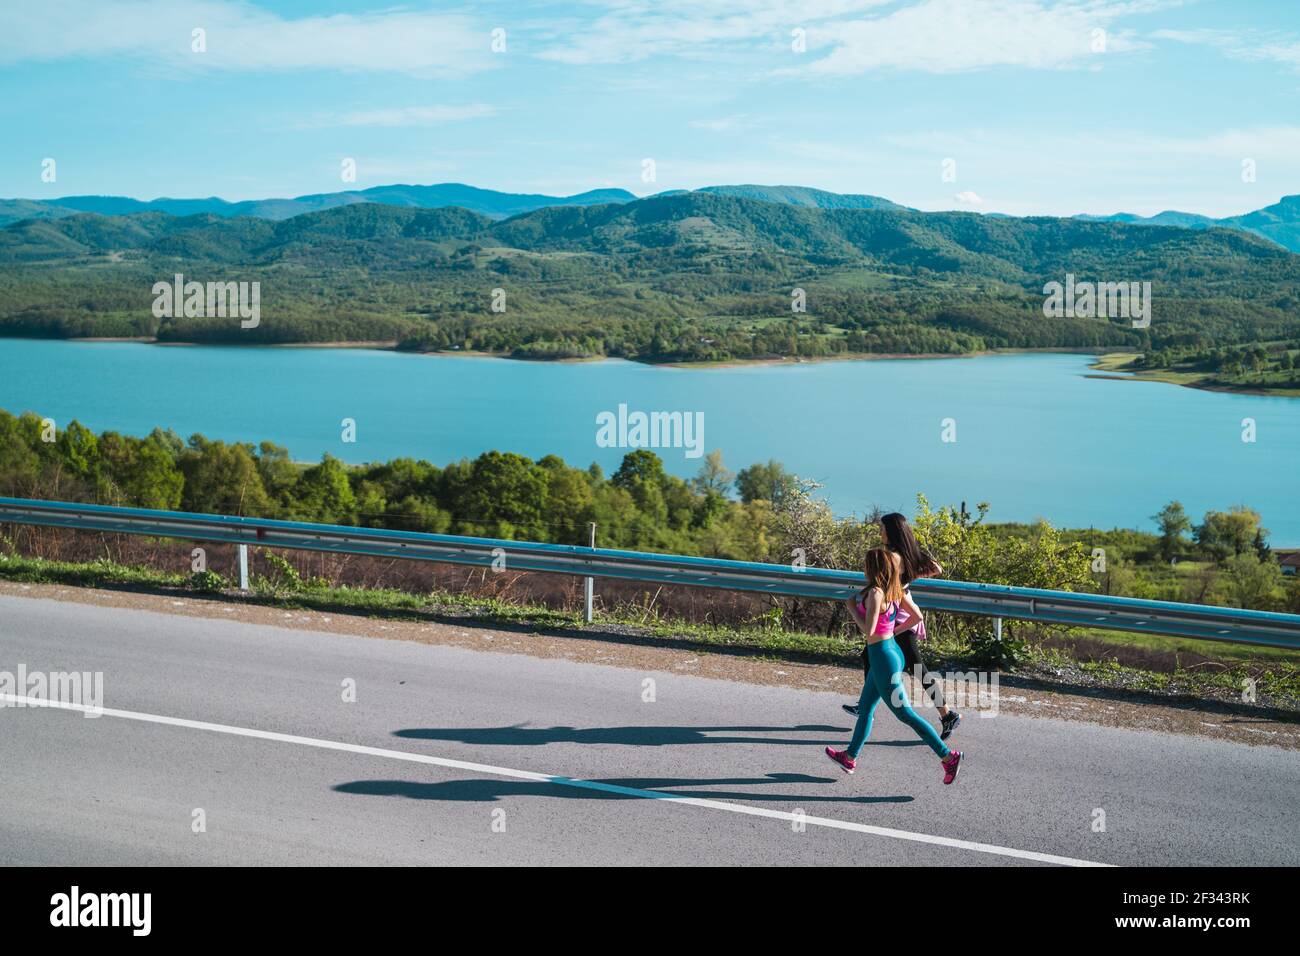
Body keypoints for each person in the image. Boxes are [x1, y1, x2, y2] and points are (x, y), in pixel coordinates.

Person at [826, 548, 962, 784]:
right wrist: (890, 633)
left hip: (882, 658)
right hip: (891, 652)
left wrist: (850, 607)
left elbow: (867, 630)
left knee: (905, 714)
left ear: (873, 568)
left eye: (866, 565)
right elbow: (917, 616)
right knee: (866, 708)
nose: (863, 569)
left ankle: (948, 757)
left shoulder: (876, 593)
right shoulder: (895, 588)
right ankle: (850, 757)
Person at [843, 512, 960, 741]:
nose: (880, 532)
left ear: (891, 531)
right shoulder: (909, 553)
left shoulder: (893, 556)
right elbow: (936, 567)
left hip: (898, 618)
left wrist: (901, 584)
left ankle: (947, 715)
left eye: (882, 528)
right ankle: (866, 707)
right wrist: (908, 581)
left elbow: (885, 580)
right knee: (871, 655)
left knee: (915, 667)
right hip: (902, 611)